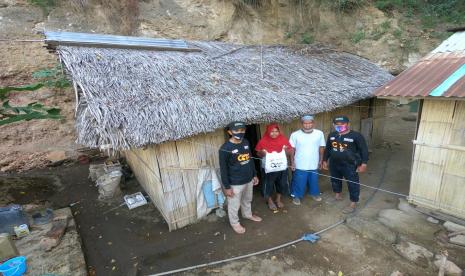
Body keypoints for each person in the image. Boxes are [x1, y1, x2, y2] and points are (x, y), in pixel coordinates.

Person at [219, 121, 262, 234]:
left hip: (248, 179)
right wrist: (227, 187)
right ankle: (235, 223)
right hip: (235, 183)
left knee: (247, 199)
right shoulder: (224, 148)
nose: (240, 132)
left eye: (242, 130)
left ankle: (247, 215)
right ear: (229, 132)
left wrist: (254, 174)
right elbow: (223, 169)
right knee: (234, 205)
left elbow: (250, 159)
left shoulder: (246, 142)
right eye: (236, 130)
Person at [322, 116, 368, 214]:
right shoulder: (332, 135)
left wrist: (363, 164)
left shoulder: (356, 136)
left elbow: (364, 150)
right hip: (334, 163)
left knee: (352, 183)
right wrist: (325, 160)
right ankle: (337, 195)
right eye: (337, 125)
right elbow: (328, 149)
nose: (340, 126)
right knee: (335, 180)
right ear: (334, 125)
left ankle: (353, 203)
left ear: (348, 124)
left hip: (350, 164)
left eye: (342, 124)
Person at [289, 115, 326, 205]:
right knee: (299, 181)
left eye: (310, 123)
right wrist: (292, 162)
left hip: (314, 162)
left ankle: (314, 193)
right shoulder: (295, 134)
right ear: (302, 124)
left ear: (313, 123)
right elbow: (291, 149)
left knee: (313, 179)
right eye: (305, 123)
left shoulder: (319, 133)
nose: (308, 125)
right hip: (300, 163)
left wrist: (321, 160)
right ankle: (296, 196)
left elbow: (321, 147)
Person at [255, 123, 293, 211]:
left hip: (281, 167)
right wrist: (263, 153)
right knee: (268, 184)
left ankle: (278, 199)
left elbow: (290, 151)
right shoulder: (263, 141)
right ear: (268, 131)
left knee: (282, 183)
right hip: (268, 168)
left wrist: (285, 150)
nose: (274, 133)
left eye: (276, 131)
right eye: (272, 131)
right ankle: (269, 200)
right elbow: (258, 154)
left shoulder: (283, 139)